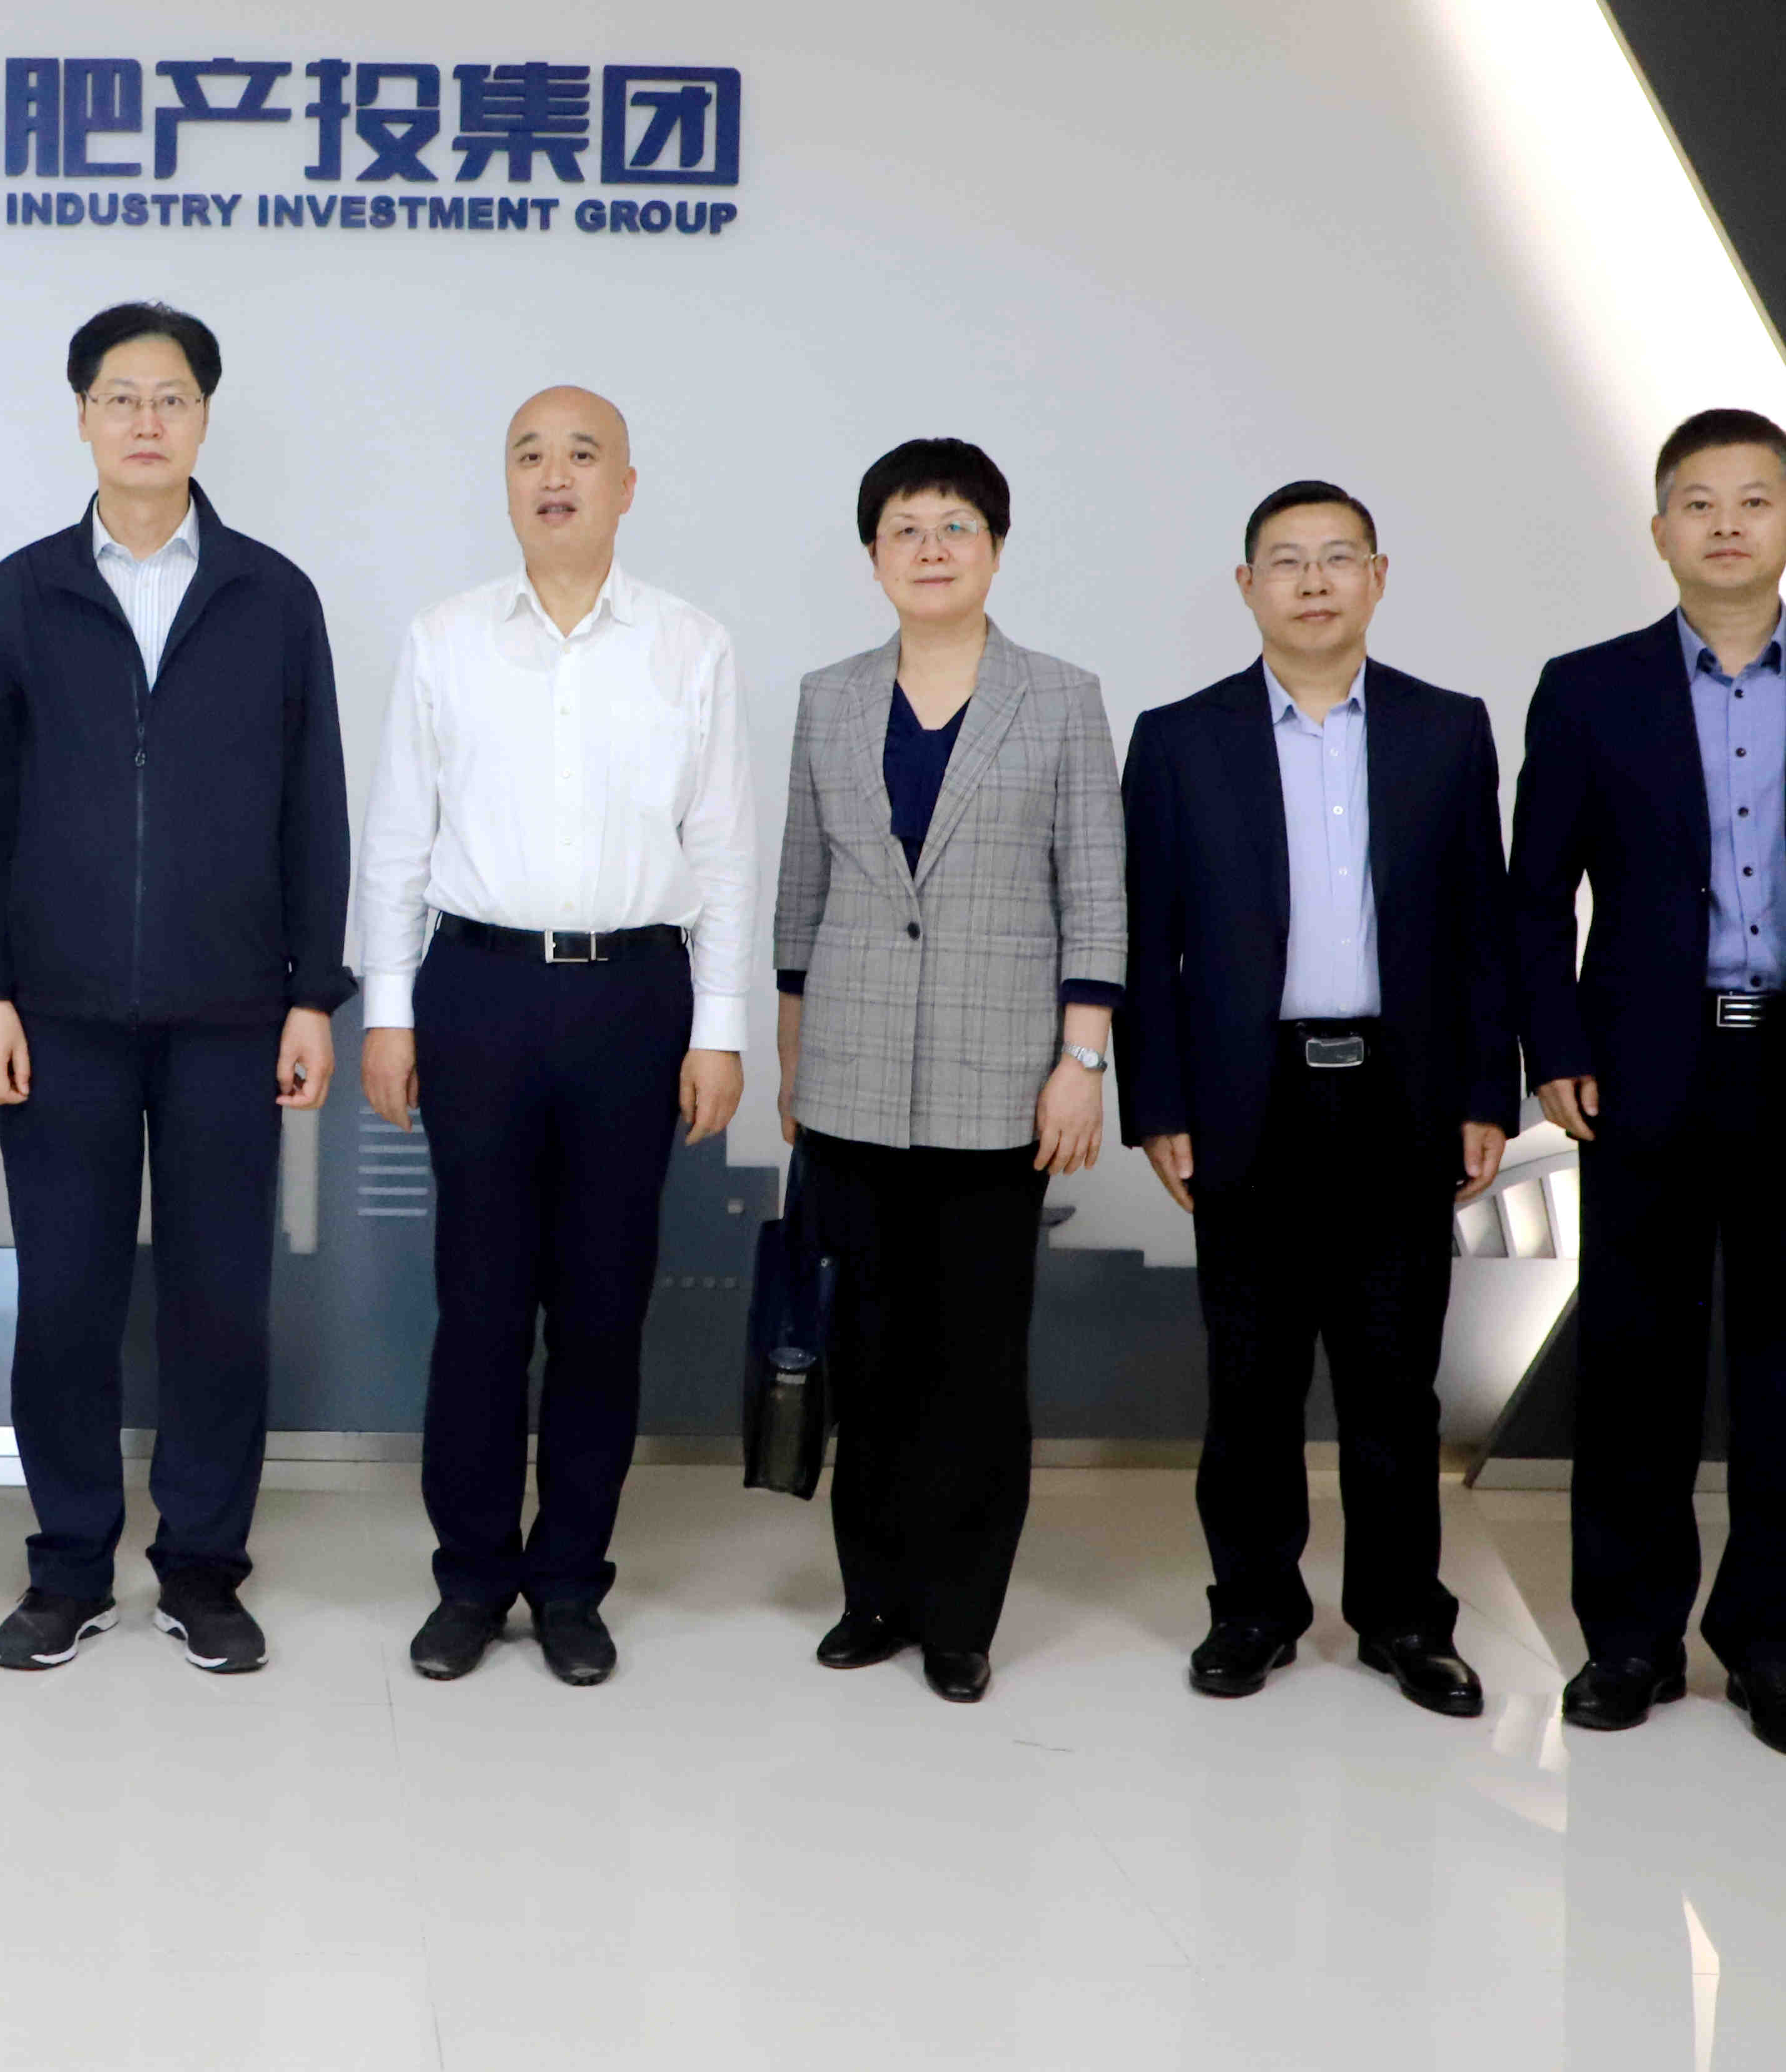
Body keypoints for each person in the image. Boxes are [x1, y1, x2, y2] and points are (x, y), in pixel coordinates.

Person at [1512, 408, 1786, 1761]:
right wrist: (1555, 1049)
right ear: (1660, 531)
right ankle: (1630, 1641)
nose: (1725, 524)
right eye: (1698, 502)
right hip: (1643, 1067)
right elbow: (1534, 899)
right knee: (1634, 1368)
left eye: (1753, 501)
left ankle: (1769, 1645)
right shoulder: (1587, 688)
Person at [0, 301, 353, 1676]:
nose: (146, 421)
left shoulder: (273, 595)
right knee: (65, 1299)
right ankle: (67, 1567)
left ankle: (203, 1568)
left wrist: (313, 994)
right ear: (82, 417)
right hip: (55, 1015)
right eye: (120, 397)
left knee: (219, 1303)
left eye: (171, 397)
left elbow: (314, 805)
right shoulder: (14, 595)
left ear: (205, 418)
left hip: (233, 1013)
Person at [354, 387, 754, 1687]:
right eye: (529, 454)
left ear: (626, 486)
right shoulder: (446, 639)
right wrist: (390, 1013)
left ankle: (572, 1581)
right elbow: (398, 836)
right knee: (478, 1305)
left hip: (635, 998)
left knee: (601, 1305)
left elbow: (724, 850)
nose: (554, 474)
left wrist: (720, 1028)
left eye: (582, 454)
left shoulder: (690, 645)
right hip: (477, 991)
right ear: (508, 484)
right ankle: (472, 1579)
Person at [1117, 480, 1515, 1718]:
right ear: (1248, 587)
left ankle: (1404, 1619)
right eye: (1286, 560)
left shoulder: (1447, 730)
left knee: (1395, 1380)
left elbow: (1484, 930)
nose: (1314, 581)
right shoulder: (1179, 740)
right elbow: (1146, 943)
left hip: (1401, 1093)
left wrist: (1486, 1092)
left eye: (1340, 557)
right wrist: (1158, 1103)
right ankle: (1253, 1609)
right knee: (1252, 1378)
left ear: (1378, 579)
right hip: (1248, 1097)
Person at [771, 437, 1122, 1705]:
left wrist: (1082, 1060)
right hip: (851, 1079)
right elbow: (801, 894)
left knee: (975, 1361)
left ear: (997, 548)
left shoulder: (1062, 698)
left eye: (957, 526)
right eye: (907, 529)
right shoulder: (829, 698)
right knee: (868, 1349)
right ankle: (874, 1593)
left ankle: (962, 1614)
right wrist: (794, 1063)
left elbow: (1097, 896)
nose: (932, 549)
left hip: (1001, 1082)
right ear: (874, 556)